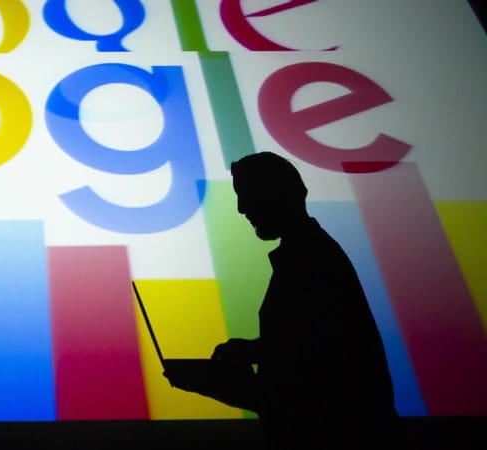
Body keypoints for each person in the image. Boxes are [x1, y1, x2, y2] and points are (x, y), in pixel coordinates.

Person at [165, 152, 402, 449]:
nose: (241, 208)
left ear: (278, 195)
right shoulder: (314, 255)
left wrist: (215, 382)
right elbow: (306, 348)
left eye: (248, 194)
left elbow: (310, 384)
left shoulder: (310, 262)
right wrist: (254, 350)